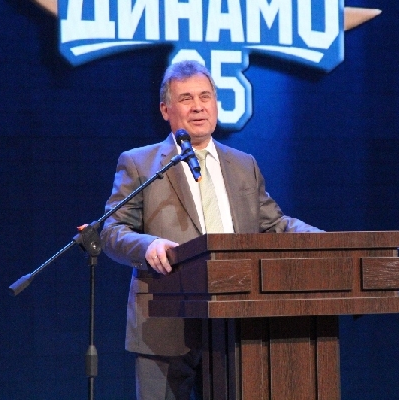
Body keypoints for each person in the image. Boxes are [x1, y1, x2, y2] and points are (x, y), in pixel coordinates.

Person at [100, 60, 323, 400]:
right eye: (186, 98)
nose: (198, 106)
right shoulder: (140, 163)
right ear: (165, 109)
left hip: (233, 325)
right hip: (165, 326)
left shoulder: (243, 164)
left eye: (205, 96)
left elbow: (274, 225)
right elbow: (111, 229)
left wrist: (323, 241)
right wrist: (147, 245)